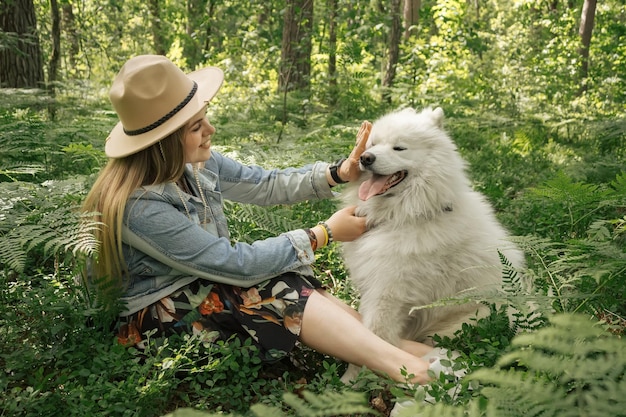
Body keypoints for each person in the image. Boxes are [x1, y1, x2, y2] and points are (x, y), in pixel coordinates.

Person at [82, 54, 438, 385]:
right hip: (156, 321)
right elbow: (233, 263)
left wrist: (337, 173)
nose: (210, 130)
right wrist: (322, 234)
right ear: (162, 142)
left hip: (204, 288)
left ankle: (403, 351)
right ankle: (409, 369)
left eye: (205, 115)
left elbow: (264, 184)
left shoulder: (196, 163)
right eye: (195, 127)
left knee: (279, 272)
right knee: (268, 285)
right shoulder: (139, 206)